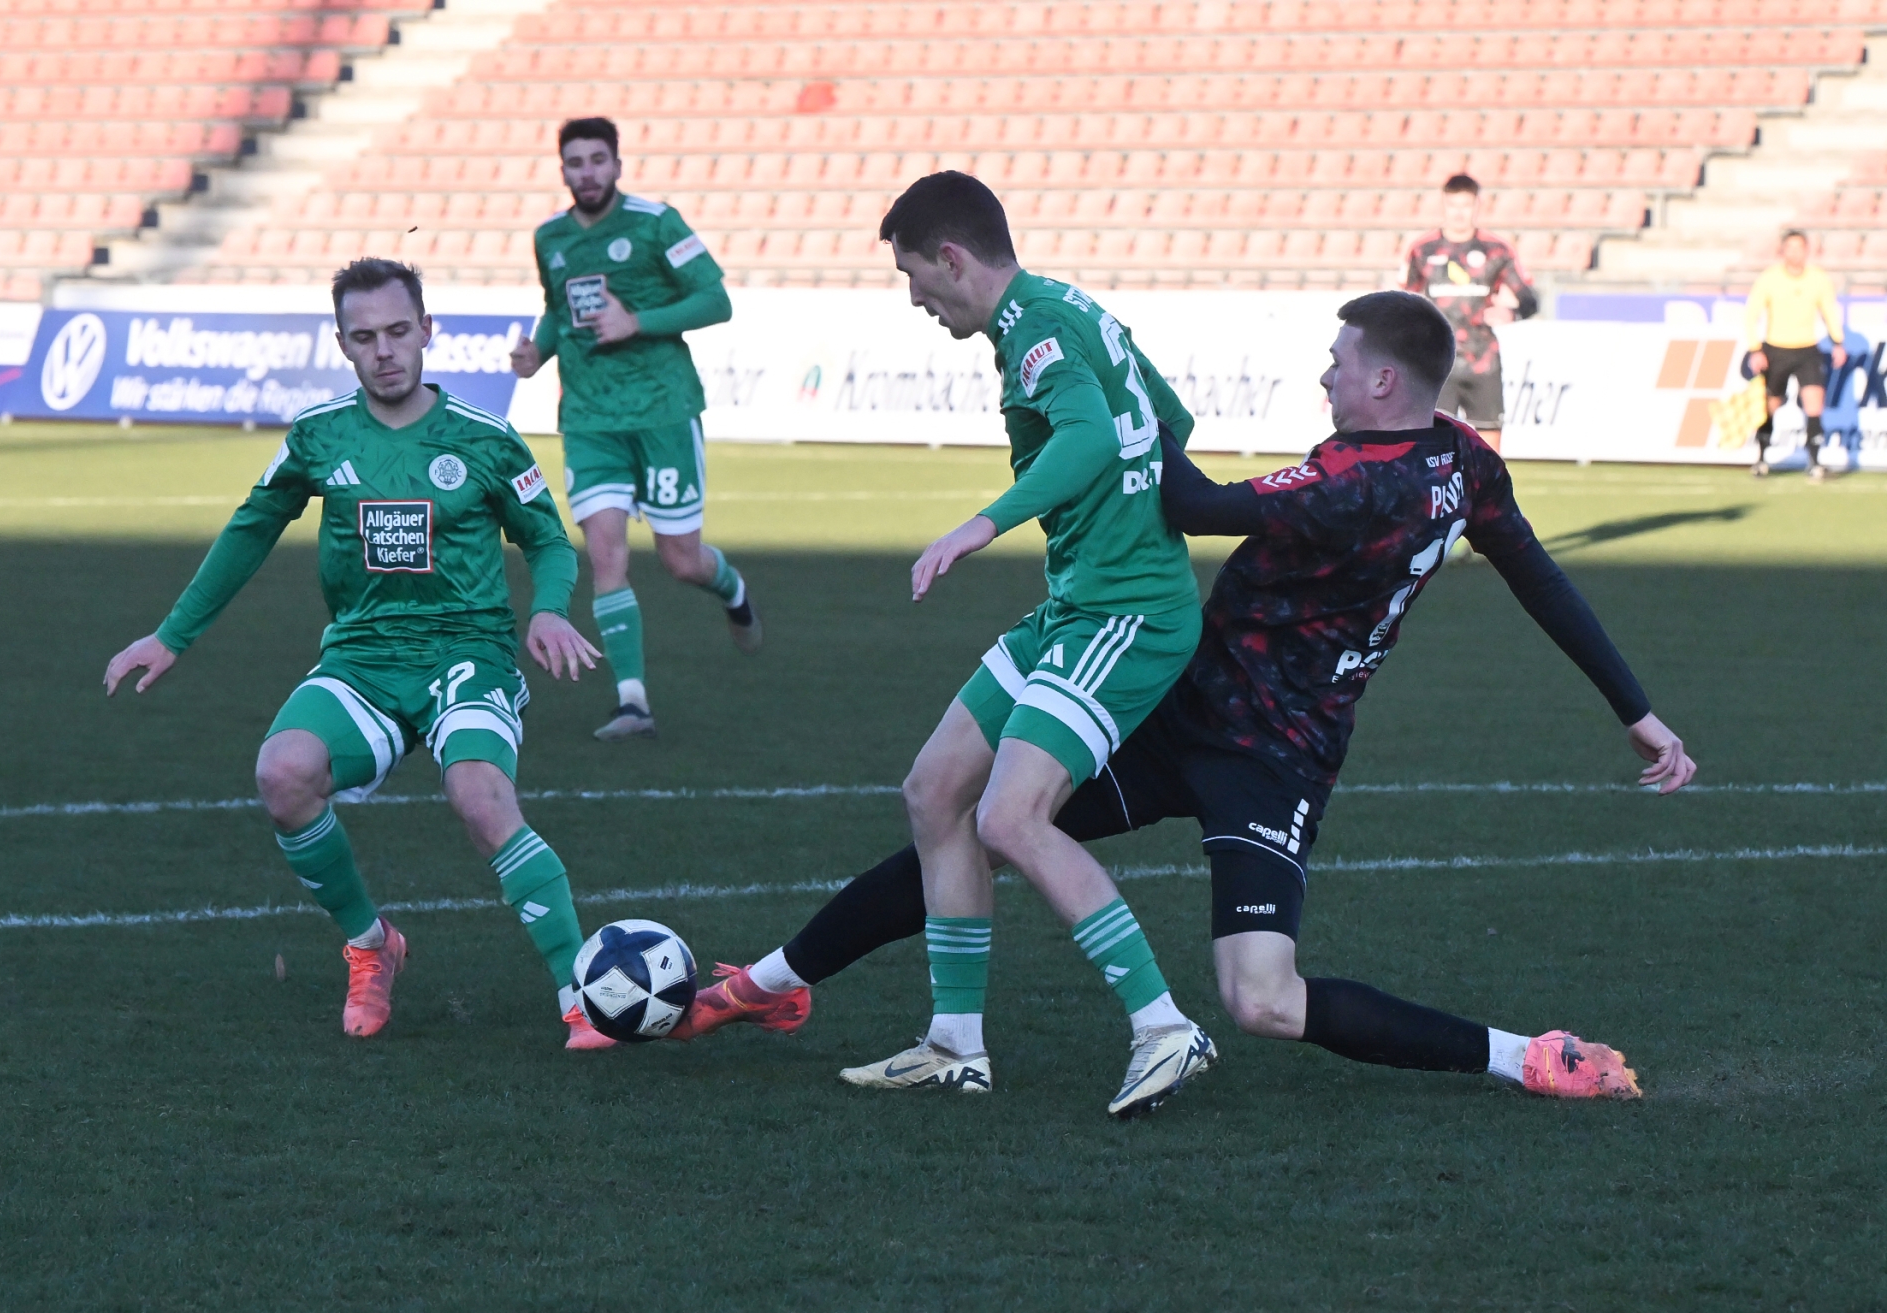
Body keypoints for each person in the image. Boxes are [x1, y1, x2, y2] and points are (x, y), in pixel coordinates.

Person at [680, 291, 1697, 1103]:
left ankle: (1525, 1055)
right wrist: (1637, 709)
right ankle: (767, 984)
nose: (1325, 374)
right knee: (980, 824)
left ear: (1383, 379)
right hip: (1184, 708)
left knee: (1262, 999)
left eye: (1338, 362)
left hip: (1272, 753)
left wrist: (1115, 377)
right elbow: (1537, 575)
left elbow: (1192, 502)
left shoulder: (1352, 479)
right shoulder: (1465, 461)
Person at [783, 171, 1215, 1119]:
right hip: (1078, 600)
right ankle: (955, 1044)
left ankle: (1164, 1027)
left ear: (951, 259)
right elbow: (1170, 422)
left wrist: (984, 524)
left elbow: (1090, 436)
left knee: (1009, 818)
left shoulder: (1035, 328)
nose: (915, 300)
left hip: (1124, 613)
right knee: (935, 789)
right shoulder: (1066, 307)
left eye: (914, 277)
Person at [105, 259, 615, 1051]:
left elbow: (547, 538)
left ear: (427, 331)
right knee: (283, 773)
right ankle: (371, 944)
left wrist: (548, 607)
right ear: (342, 343)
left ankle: (580, 994)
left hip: (466, 651)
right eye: (365, 336)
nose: (384, 351)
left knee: (480, 795)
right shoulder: (318, 435)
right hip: (363, 657)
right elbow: (251, 527)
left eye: (399, 331)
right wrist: (172, 634)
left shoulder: (484, 439)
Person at [509, 116, 758, 742]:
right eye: (575, 162)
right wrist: (538, 351)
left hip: (662, 412)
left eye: (598, 160)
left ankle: (731, 588)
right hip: (589, 419)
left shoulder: (656, 223)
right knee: (605, 555)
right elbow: (556, 308)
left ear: (617, 165)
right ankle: (632, 701)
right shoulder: (550, 238)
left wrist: (636, 322)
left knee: (682, 561)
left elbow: (716, 301)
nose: (587, 172)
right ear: (563, 170)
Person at [1399, 174, 1536, 452]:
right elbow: (1404, 303)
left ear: (1477, 205)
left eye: (1465, 205)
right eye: (1453, 205)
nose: (1459, 213)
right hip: (1438, 363)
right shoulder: (1423, 250)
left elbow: (1529, 299)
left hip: (1482, 361)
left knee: (1489, 454)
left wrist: (1512, 313)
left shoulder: (1496, 250)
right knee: (1434, 452)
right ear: (1444, 204)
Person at [1744, 230, 1848, 481]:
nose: (1795, 253)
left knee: (1814, 403)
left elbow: (1829, 311)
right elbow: (1751, 314)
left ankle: (1815, 462)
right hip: (1776, 349)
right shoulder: (1769, 278)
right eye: (1790, 248)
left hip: (1807, 349)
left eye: (1799, 248)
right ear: (1782, 251)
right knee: (1771, 405)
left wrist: (1838, 342)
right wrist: (1755, 349)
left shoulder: (1818, 279)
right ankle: (1761, 458)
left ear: (1807, 250)